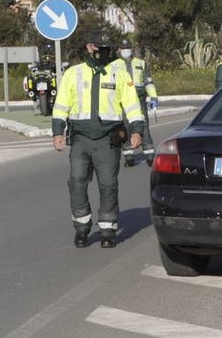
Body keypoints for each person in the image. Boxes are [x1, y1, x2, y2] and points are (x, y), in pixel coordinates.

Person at [52, 30, 144, 249]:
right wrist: (58, 132)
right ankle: (82, 227)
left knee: (108, 184)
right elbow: (61, 104)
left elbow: (132, 105)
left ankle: (108, 230)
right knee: (76, 182)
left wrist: (136, 130)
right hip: (81, 138)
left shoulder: (119, 74)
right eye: (99, 48)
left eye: (107, 49)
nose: (103, 53)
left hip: (107, 140)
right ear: (89, 47)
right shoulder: (73, 74)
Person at [116, 39, 159, 167]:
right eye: (123, 48)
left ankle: (150, 156)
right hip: (122, 101)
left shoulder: (141, 63)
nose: (126, 50)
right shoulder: (114, 65)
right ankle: (129, 157)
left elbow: (148, 82)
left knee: (143, 126)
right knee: (124, 128)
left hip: (139, 99)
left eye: (128, 48)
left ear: (132, 49)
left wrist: (153, 97)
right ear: (119, 50)